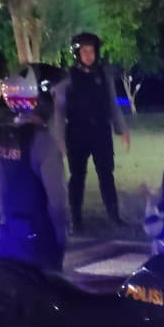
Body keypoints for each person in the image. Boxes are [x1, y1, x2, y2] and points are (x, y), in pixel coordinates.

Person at [0, 65, 69, 272]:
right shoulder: (44, 143)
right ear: (42, 101)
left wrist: (1, 221)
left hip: (1, 241)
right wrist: (60, 238)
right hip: (38, 244)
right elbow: (57, 203)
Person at [52, 31, 130, 232]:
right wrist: (59, 140)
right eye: (84, 51)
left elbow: (112, 103)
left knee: (106, 175)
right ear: (78, 54)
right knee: (77, 177)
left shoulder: (103, 74)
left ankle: (114, 216)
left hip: (101, 133)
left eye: (91, 51)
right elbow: (59, 110)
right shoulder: (68, 77)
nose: (88, 55)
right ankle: (76, 221)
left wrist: (122, 129)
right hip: (77, 133)